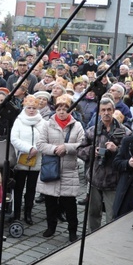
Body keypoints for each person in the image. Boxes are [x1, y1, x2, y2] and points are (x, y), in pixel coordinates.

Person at [35, 94, 85, 240]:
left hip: (69, 170)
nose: (62, 111)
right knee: (50, 202)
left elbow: (83, 144)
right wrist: (55, 149)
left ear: (71, 110)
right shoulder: (47, 124)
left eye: (65, 109)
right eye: (59, 108)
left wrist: (67, 147)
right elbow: (40, 144)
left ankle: (72, 230)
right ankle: (51, 227)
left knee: (69, 203)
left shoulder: (77, 126)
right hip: (51, 168)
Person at [77, 97, 128, 231]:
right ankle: (92, 236)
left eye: (109, 110)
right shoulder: (92, 131)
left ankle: (110, 238)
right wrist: (92, 151)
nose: (106, 113)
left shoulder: (125, 132)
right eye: (103, 110)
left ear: (114, 111)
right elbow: (80, 150)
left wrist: (116, 150)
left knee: (112, 215)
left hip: (113, 181)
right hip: (95, 178)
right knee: (93, 213)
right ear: (99, 112)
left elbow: (130, 157)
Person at [10, 96, 44, 225]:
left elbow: (45, 139)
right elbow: (14, 139)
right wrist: (29, 148)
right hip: (21, 160)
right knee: (18, 189)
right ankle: (17, 213)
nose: (31, 110)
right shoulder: (19, 121)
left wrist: (36, 149)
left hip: (36, 160)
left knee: (31, 189)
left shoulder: (42, 122)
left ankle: (28, 213)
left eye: (34, 108)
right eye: (29, 108)